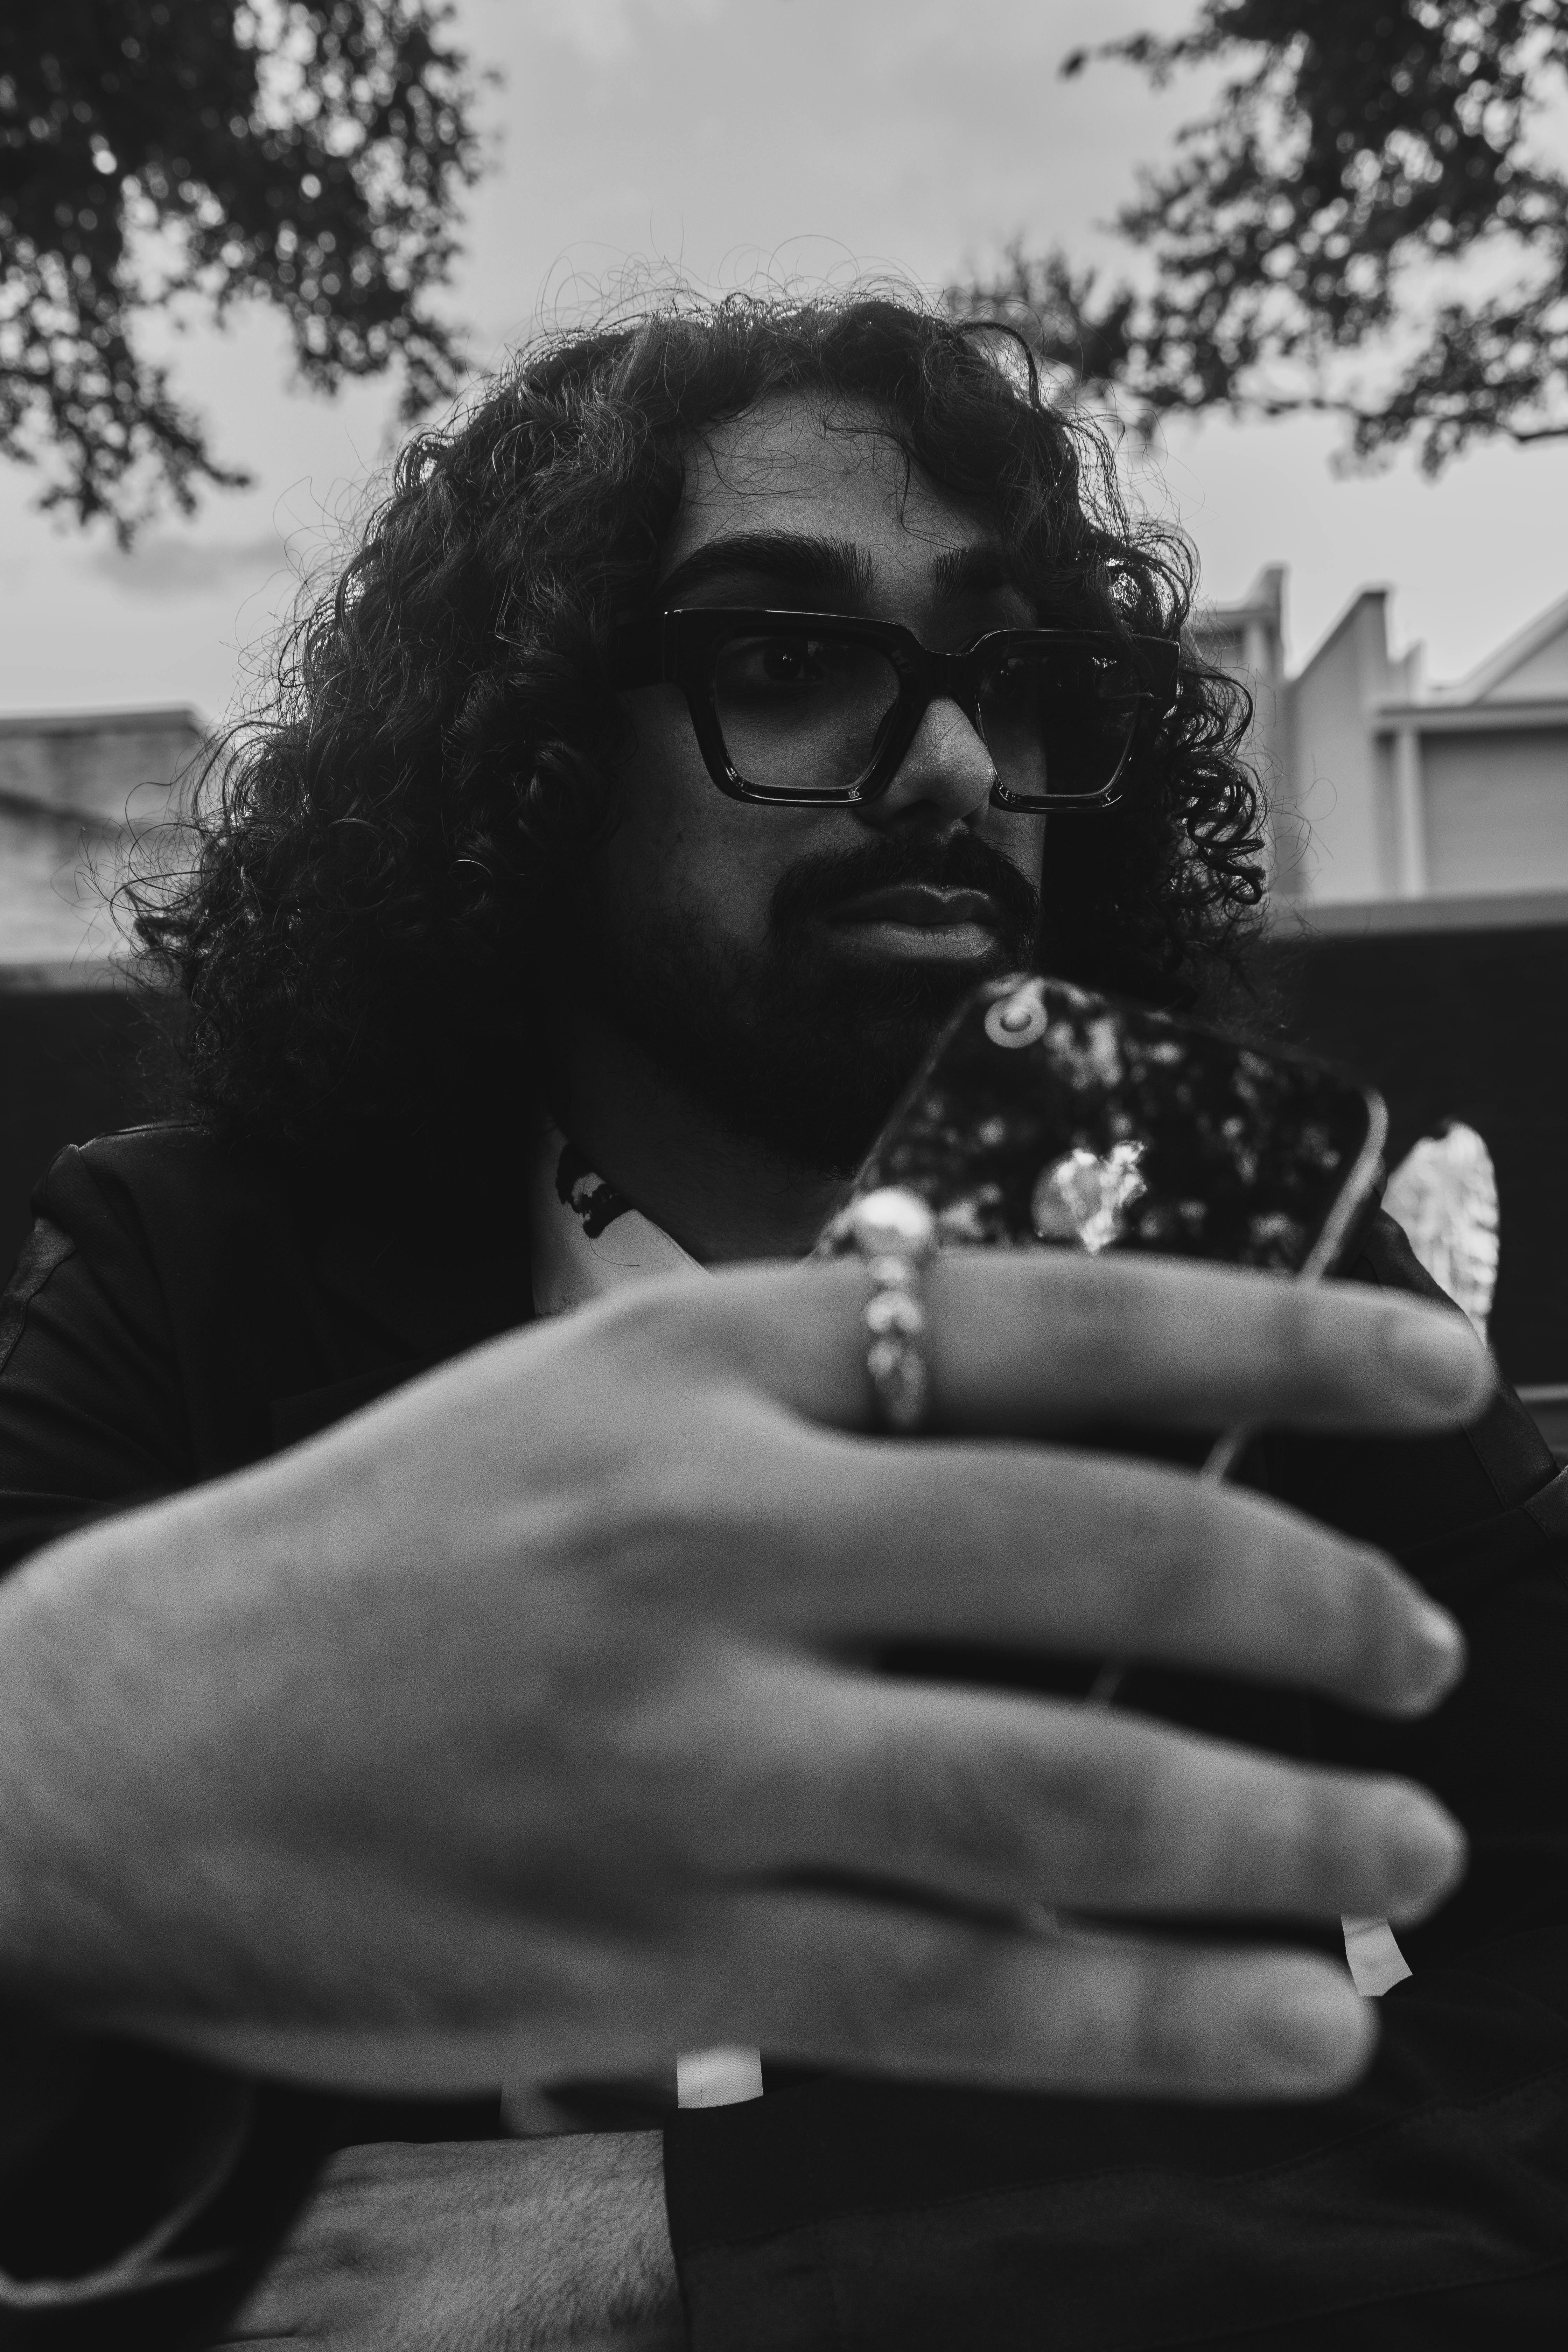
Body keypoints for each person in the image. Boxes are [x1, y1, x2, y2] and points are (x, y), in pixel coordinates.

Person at [0, 292, 1559, 2350]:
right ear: (530, 752)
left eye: (1016, 675)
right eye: (790, 655)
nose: (950, 762)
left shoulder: (1230, 1249)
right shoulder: (205, 1287)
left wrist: (689, 2226)